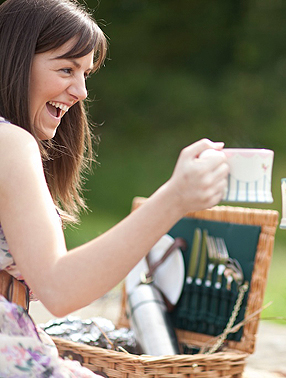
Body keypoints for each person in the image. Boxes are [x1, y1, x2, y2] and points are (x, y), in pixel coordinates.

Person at [0, 0, 229, 376]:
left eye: (86, 73)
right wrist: (174, 198)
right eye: (65, 69)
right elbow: (59, 288)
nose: (81, 91)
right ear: (15, 60)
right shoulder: (9, 143)